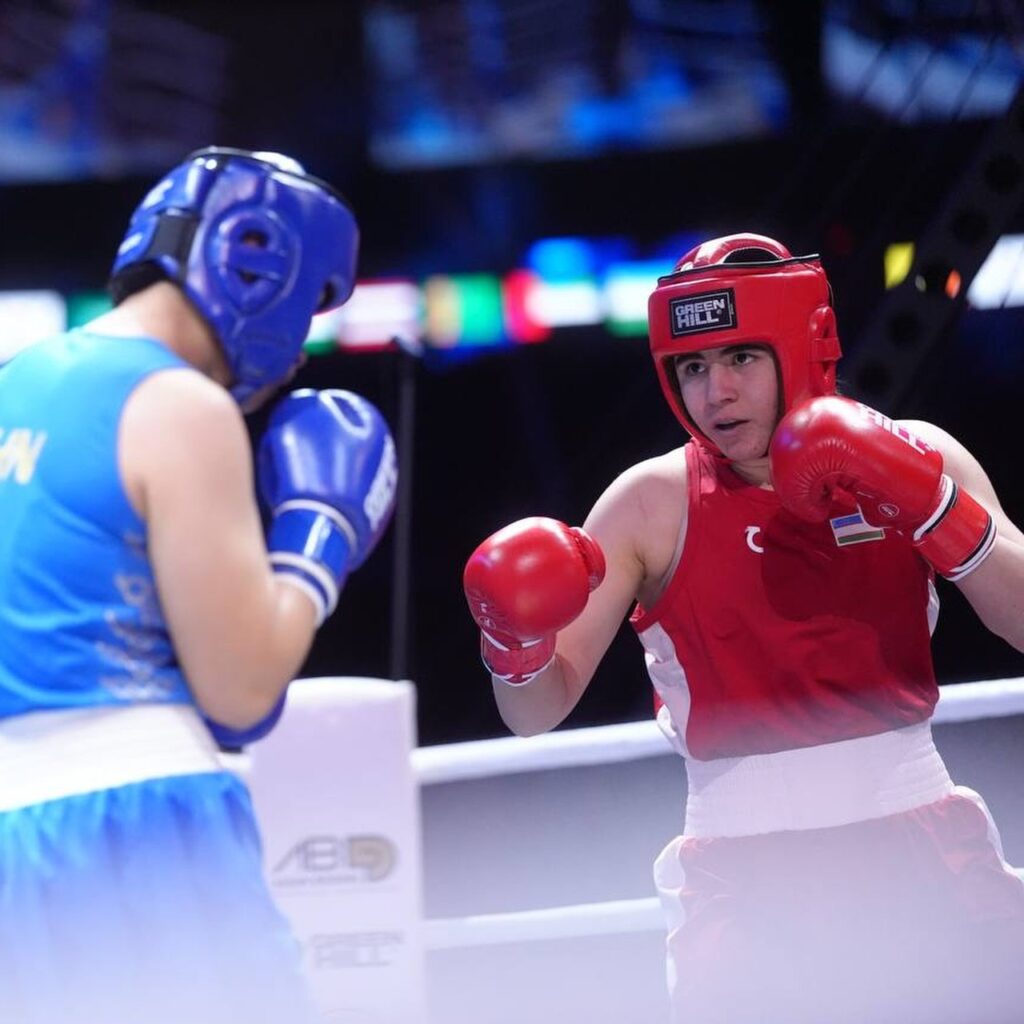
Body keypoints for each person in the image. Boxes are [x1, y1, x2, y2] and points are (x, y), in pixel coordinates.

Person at [463, 233, 1024, 1023]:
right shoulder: (649, 503)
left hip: (924, 842)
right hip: (743, 880)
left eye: (741, 359)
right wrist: (511, 643)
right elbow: (534, 712)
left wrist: (933, 506)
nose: (715, 393)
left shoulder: (920, 452)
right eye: (692, 368)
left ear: (802, 347)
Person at [0, 147, 398, 1024]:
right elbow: (241, 693)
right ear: (260, 265)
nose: (297, 356)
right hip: (139, 826)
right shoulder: (180, 404)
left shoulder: (14, 383)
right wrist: (318, 535)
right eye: (310, 307)